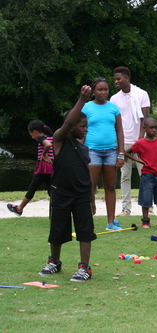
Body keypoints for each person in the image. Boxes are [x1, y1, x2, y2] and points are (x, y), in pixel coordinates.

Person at [38, 85, 96, 282]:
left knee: (85, 232)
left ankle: (84, 268)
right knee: (58, 230)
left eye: (87, 126)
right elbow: (69, 121)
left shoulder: (83, 147)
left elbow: (87, 176)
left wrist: (92, 199)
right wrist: (81, 99)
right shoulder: (59, 140)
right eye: (82, 126)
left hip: (81, 196)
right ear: (71, 128)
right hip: (61, 194)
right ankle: (54, 261)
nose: (86, 129)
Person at [82, 77, 124, 231]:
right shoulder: (86, 108)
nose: (103, 92)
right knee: (90, 186)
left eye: (105, 89)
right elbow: (80, 130)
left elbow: (120, 130)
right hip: (92, 151)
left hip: (111, 151)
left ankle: (111, 222)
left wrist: (121, 154)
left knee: (111, 186)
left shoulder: (114, 108)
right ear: (93, 91)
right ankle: (86, 221)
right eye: (100, 89)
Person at [110, 67, 151, 217]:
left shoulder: (141, 94)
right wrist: (119, 146)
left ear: (127, 78)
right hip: (123, 142)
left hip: (140, 142)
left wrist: (140, 142)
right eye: (115, 79)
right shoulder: (114, 99)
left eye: (118, 79)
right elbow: (115, 124)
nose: (116, 82)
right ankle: (126, 208)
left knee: (145, 175)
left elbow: (144, 121)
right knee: (125, 175)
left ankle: (148, 206)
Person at [124, 118, 157, 228]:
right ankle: (145, 220)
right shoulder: (140, 143)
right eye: (151, 127)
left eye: (156, 128)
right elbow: (127, 153)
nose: (154, 130)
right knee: (145, 198)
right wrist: (139, 160)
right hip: (147, 175)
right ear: (144, 128)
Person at [7, 120, 54, 216]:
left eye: (31, 134)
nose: (31, 136)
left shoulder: (41, 138)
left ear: (35, 132)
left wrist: (44, 155)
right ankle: (56, 210)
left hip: (44, 168)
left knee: (32, 188)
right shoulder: (50, 137)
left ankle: (19, 209)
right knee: (51, 190)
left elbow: (48, 145)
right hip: (52, 167)